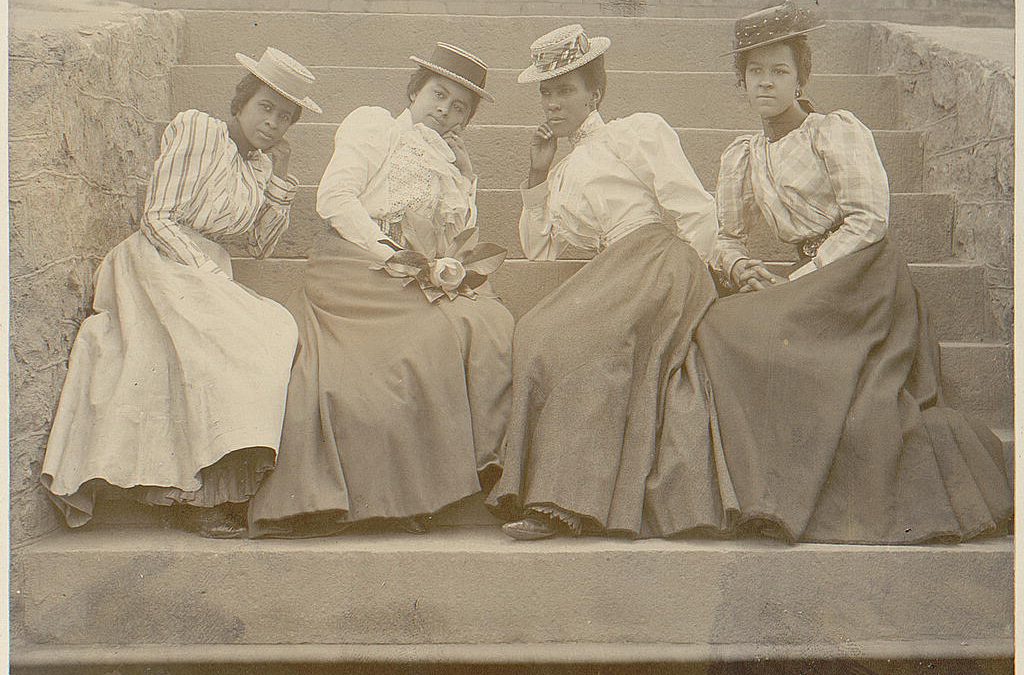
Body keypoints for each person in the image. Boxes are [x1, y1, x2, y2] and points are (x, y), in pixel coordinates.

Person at [695, 1, 1012, 543]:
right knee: (719, 327)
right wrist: (741, 264)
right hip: (811, 277)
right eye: (755, 72)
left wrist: (807, 275)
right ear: (741, 83)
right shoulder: (740, 157)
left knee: (776, 339)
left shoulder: (832, 131)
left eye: (780, 70)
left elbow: (868, 219)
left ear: (801, 78)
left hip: (861, 271)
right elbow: (725, 235)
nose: (766, 83)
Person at [41, 47, 320, 537]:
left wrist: (278, 184)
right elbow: (157, 215)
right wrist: (202, 275)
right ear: (240, 102)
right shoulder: (200, 130)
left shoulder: (257, 168)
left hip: (205, 269)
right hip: (156, 259)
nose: (273, 123)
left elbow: (258, 247)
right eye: (265, 108)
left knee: (274, 327)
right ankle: (193, 496)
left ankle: (209, 486)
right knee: (221, 337)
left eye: (285, 117)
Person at [248, 43, 513, 537]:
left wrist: (467, 179)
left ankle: (461, 475)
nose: (444, 110)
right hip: (357, 262)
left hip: (418, 272)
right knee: (414, 347)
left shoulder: (451, 160)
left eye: (459, 107)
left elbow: (461, 234)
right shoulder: (375, 126)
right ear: (415, 90)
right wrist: (389, 252)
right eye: (438, 94)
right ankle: (391, 493)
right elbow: (335, 198)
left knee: (487, 322)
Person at [488, 25, 725, 540]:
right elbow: (540, 250)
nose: (553, 104)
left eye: (565, 90)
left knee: (587, 345)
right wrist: (536, 176)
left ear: (594, 93)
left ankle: (564, 502)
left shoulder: (634, 132)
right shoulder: (563, 170)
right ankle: (542, 488)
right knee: (535, 333)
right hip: (612, 270)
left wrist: (704, 278)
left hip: (659, 260)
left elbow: (694, 207)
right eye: (546, 92)